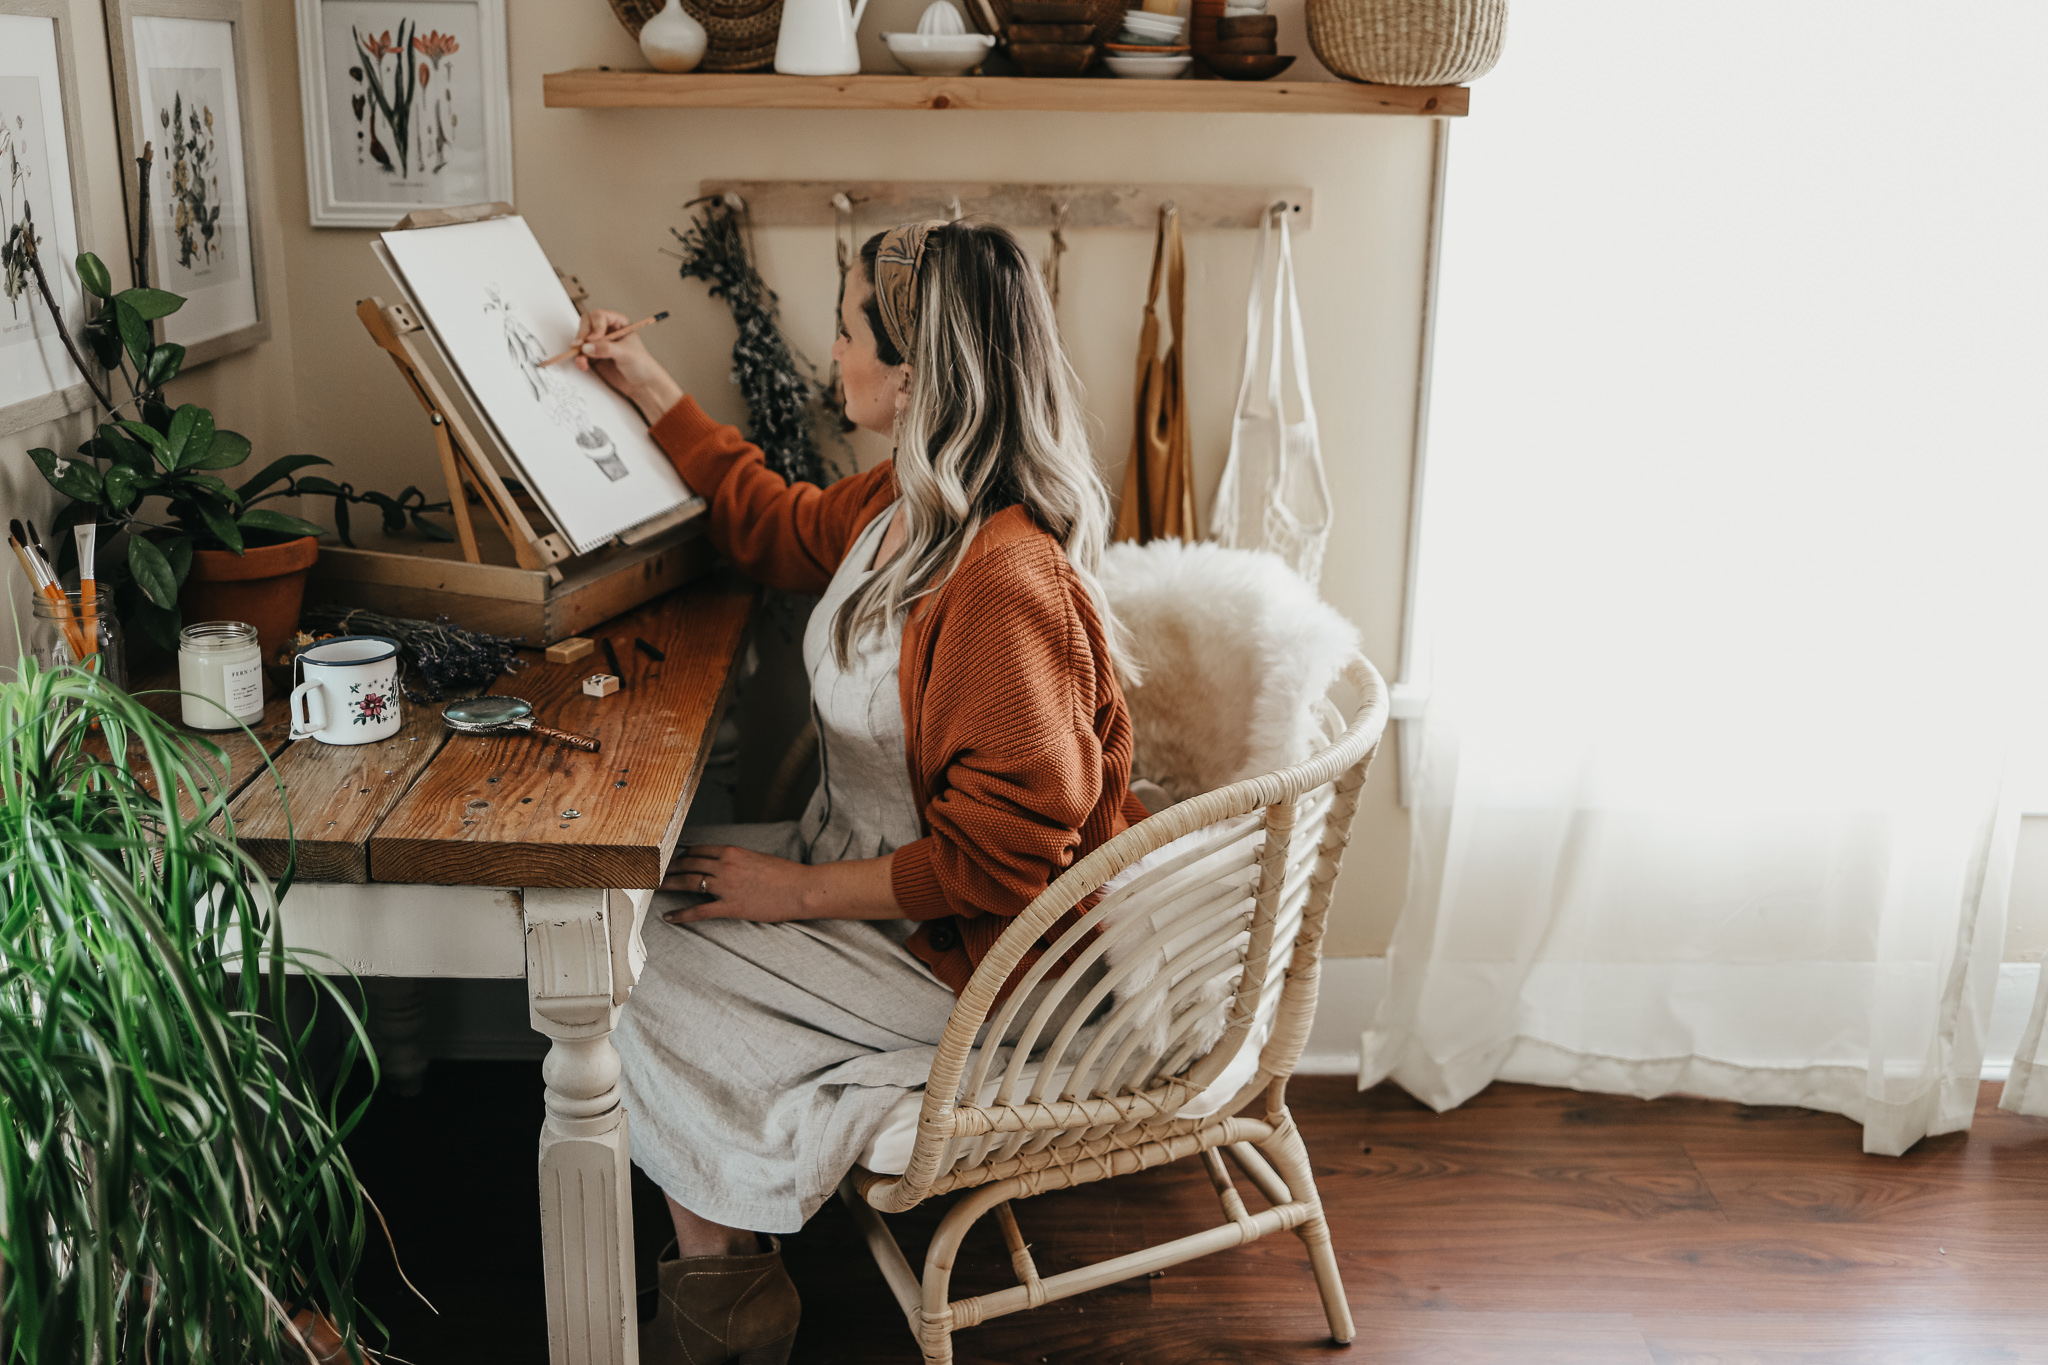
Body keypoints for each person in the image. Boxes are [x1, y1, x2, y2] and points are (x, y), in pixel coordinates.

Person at [573, 219, 1150, 1365]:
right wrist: (646, 385)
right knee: (621, 918)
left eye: (844, 332)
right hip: (871, 890)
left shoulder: (1001, 582)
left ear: (913, 373)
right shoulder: (903, 509)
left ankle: (719, 1295)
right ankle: (730, 1273)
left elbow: (1003, 866)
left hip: (973, 959)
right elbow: (772, 523)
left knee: (632, 964)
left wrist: (786, 893)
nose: (831, 354)